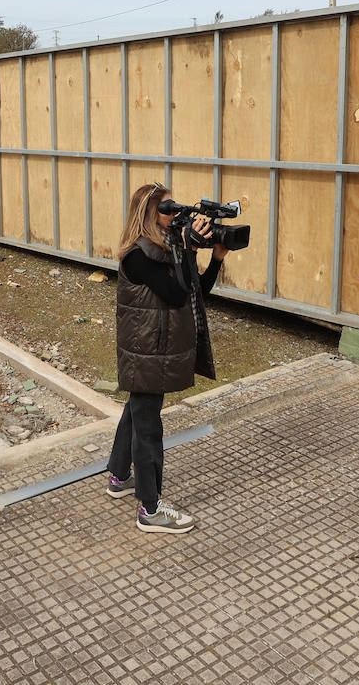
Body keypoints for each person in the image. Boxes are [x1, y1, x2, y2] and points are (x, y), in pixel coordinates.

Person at [106, 182, 229, 534]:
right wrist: (189, 249)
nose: (174, 214)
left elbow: (195, 293)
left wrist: (215, 259)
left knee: (137, 410)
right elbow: (176, 294)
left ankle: (118, 477)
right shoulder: (138, 254)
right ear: (148, 213)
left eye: (174, 208)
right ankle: (150, 509)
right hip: (146, 352)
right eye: (166, 208)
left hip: (154, 350)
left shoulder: (168, 245)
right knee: (148, 429)